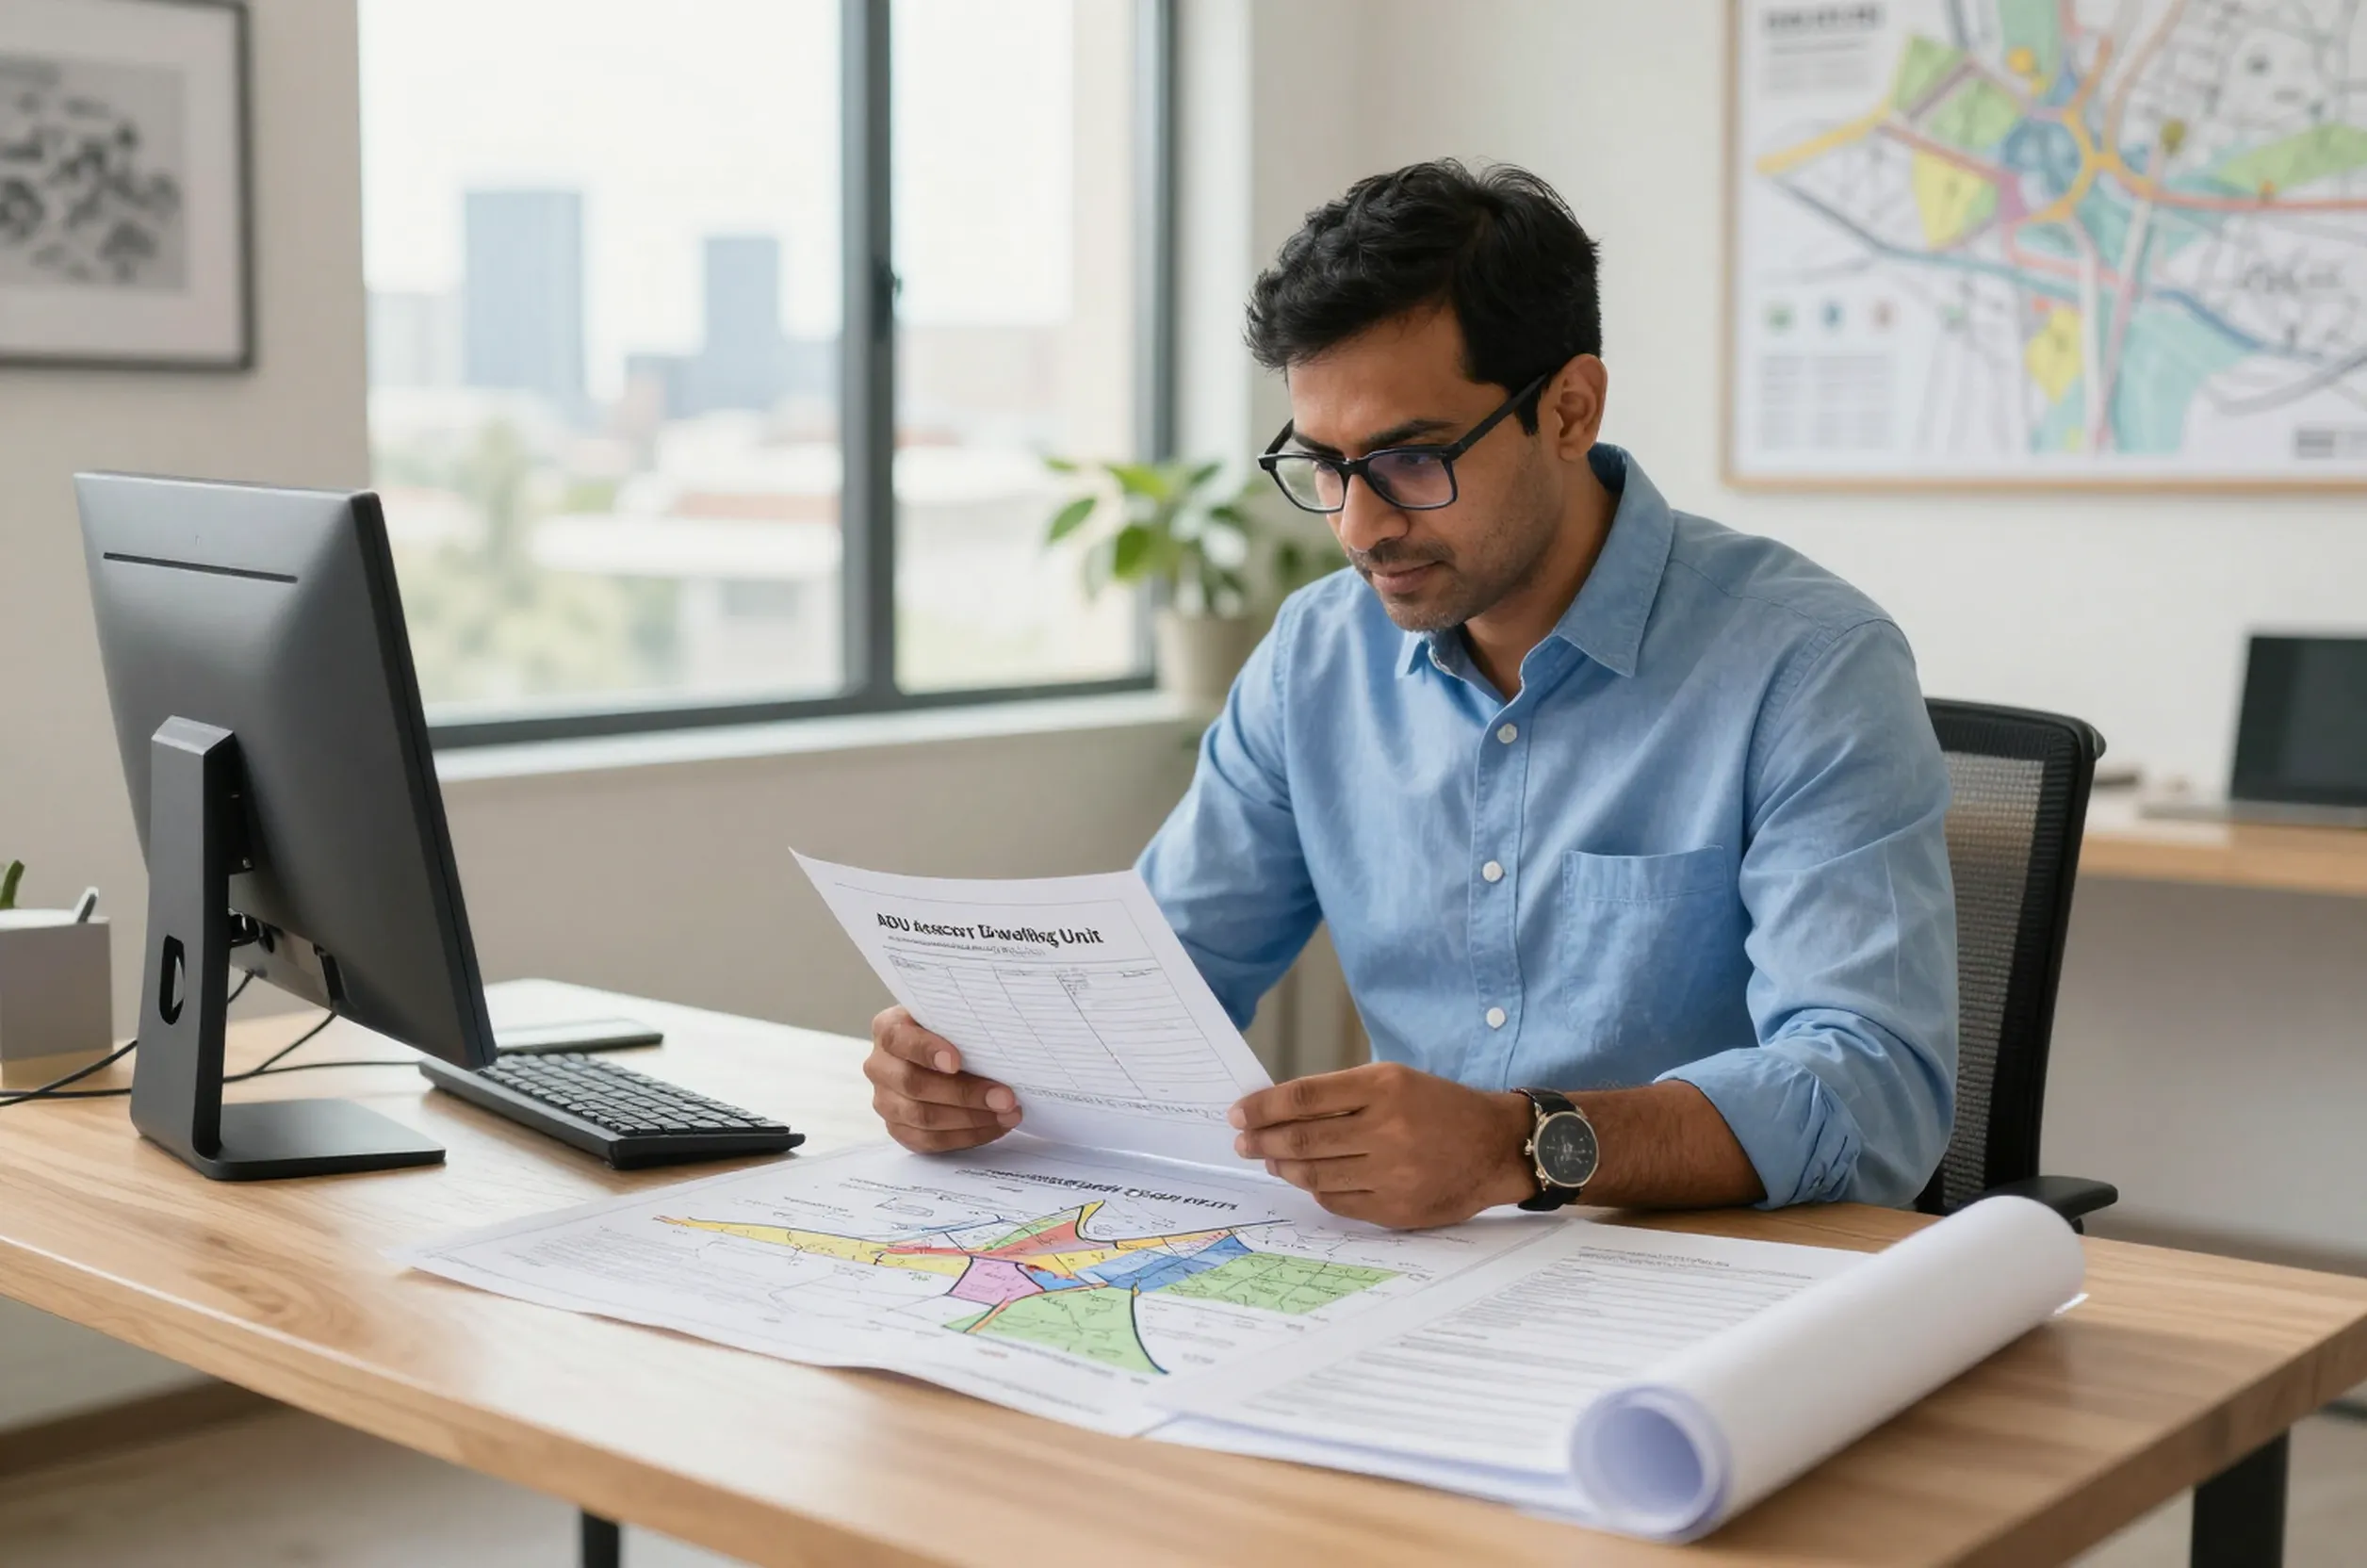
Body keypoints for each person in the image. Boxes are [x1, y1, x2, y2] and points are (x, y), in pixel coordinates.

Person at [865, 159, 1958, 1228]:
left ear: (1569, 410)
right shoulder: (1315, 656)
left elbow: (1876, 1095)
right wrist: (978, 1070)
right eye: (1326, 463)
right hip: (1418, 1284)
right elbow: (1159, 984)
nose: (1358, 524)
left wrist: (1517, 1144)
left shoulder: (1808, 662)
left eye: (1409, 458)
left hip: (1717, 1286)